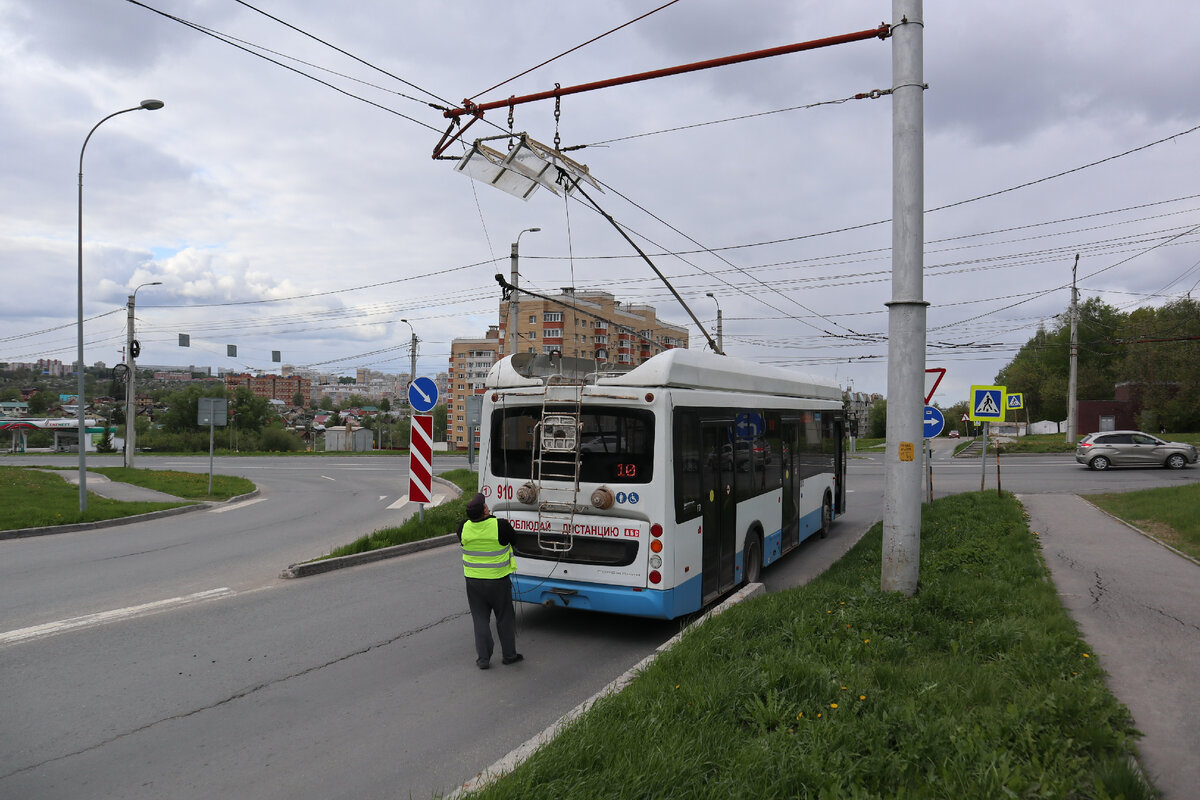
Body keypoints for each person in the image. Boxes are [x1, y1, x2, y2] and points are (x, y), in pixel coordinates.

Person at [457, 493, 523, 670]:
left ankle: (483, 659)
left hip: (473, 581)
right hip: (498, 580)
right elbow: (515, 540)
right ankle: (509, 655)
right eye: (486, 506)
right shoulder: (500, 526)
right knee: (504, 618)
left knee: (480, 619)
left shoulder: (463, 527)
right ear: (485, 510)